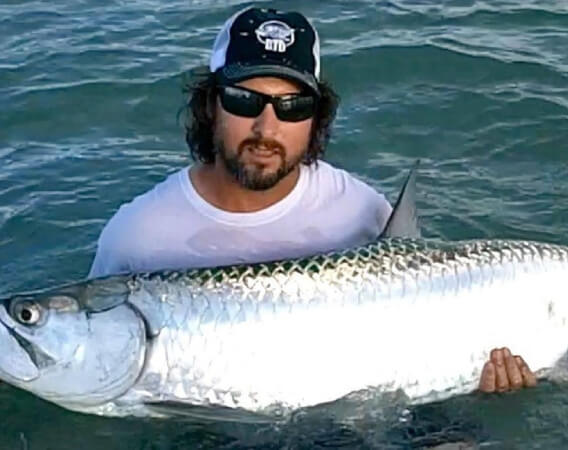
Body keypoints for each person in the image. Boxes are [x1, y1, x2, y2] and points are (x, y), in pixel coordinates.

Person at [88, 7, 536, 394]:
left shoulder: (361, 210)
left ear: (316, 118)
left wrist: (479, 384)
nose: (267, 128)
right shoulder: (136, 235)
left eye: (293, 107)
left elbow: (431, 321)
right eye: (245, 101)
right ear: (210, 106)